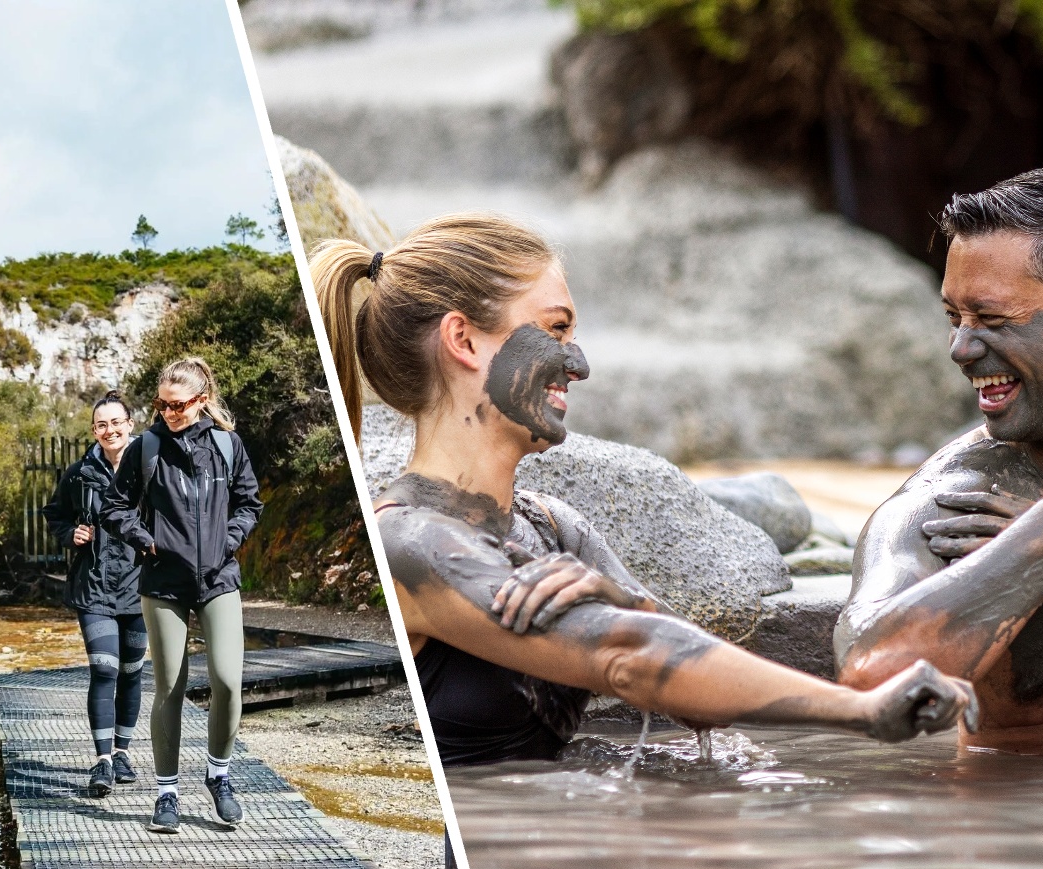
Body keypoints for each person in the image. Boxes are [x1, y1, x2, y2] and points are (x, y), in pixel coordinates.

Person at [311, 213, 977, 767]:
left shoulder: (550, 526)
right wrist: (860, 711)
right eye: (556, 329)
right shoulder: (410, 542)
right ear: (464, 340)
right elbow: (627, 657)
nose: (580, 361)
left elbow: (683, 686)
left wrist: (629, 598)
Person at [835, 169, 1043, 751]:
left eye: (991, 319)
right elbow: (869, 678)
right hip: (1021, 830)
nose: (960, 349)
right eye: (954, 319)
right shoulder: (955, 498)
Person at [102, 357, 263, 831]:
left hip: (218, 579)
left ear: (201, 401)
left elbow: (250, 504)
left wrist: (229, 540)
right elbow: (115, 507)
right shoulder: (147, 448)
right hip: (162, 582)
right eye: (162, 405)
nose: (169, 413)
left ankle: (218, 776)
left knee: (228, 680)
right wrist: (145, 540)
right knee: (169, 685)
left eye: (178, 405)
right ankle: (167, 793)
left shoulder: (227, 446)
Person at [40, 390, 149, 797]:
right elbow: (55, 514)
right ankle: (102, 760)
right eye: (101, 425)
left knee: (132, 671)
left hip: (141, 586)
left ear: (130, 424)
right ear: (93, 430)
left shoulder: (150, 465)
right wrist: (73, 534)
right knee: (104, 668)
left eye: (116, 422)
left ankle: (123, 751)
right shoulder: (80, 473)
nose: (110, 430)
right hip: (94, 586)